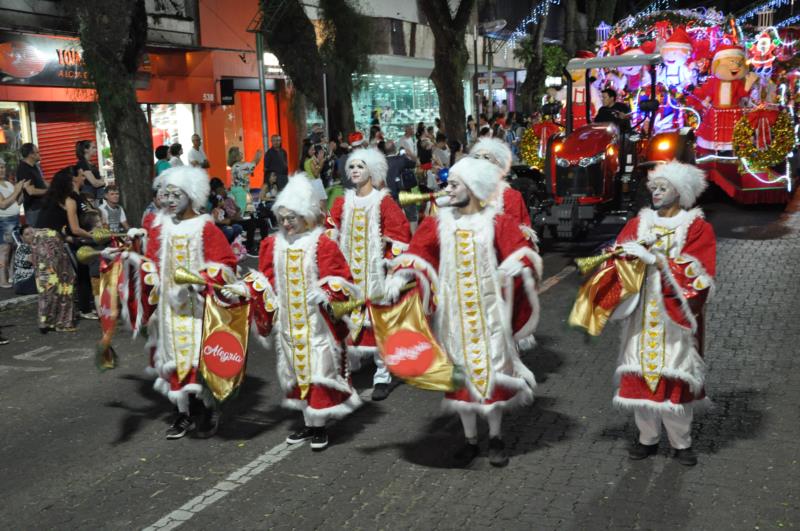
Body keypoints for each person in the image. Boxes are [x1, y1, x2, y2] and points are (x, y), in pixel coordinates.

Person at [385, 157, 542, 467]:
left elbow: (523, 253)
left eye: (454, 184)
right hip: (454, 317)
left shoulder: (498, 221)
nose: (448, 189)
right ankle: (471, 440)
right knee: (460, 378)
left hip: (489, 316)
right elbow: (418, 253)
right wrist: (400, 275)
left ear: (473, 187)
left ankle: (495, 437)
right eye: (448, 183)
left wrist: (515, 265)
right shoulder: (439, 222)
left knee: (493, 374)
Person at [572, 161, 715, 467]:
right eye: (654, 188)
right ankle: (646, 439)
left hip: (674, 319)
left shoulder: (697, 228)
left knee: (675, 376)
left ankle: (681, 443)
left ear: (679, 192)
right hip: (641, 315)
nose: (656, 194)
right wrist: (618, 259)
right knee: (640, 374)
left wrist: (657, 261)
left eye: (663, 188)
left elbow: (701, 276)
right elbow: (618, 256)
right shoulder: (640, 223)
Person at [229, 175, 361, 451]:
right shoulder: (272, 246)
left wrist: (326, 292)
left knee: (318, 371)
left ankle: (319, 426)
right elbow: (266, 280)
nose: (287, 223)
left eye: (292, 217)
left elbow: (341, 278)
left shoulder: (321, 244)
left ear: (305, 216)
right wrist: (244, 289)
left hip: (317, 324)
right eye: (283, 218)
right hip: (288, 324)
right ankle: (308, 422)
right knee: (296, 372)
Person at [127, 166, 237, 439]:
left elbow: (225, 264)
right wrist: (131, 255)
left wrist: (200, 279)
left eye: (177, 194)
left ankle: (209, 409)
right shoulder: (159, 226)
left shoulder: (205, 227)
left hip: (197, 308)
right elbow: (151, 263)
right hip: (168, 308)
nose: (170, 200)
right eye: (166, 194)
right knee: (172, 359)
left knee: (199, 360)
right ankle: (183, 412)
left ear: (191, 195)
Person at [326, 147, 411, 400]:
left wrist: (388, 257)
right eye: (351, 166)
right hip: (348, 273)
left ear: (371, 171)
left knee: (378, 322)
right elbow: (330, 231)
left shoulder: (383, 201)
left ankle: (382, 375)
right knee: (346, 321)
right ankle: (349, 372)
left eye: (360, 167)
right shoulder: (342, 201)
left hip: (375, 275)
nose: (354, 171)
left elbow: (401, 233)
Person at [32, 167, 94, 333]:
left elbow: (55, 227)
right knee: (63, 280)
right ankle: (61, 321)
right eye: (76, 179)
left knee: (50, 281)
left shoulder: (51, 199)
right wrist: (92, 236)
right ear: (69, 183)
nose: (79, 182)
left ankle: (49, 320)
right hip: (51, 243)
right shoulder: (69, 200)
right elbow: (75, 228)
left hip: (40, 240)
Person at [469, 137, 538, 246]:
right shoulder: (465, 192)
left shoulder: (510, 196)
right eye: (477, 157)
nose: (481, 161)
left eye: (486, 158)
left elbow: (516, 233)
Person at [0, 158, 24, 288]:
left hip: (14, 219)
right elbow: (3, 205)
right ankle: (2, 279)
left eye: (3, 167)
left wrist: (21, 191)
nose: (1, 170)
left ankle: (11, 276)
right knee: (4, 250)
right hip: (4, 221)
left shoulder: (8, 184)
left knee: (15, 249)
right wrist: (16, 191)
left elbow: (16, 202)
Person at [17, 143, 47, 227]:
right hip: (33, 210)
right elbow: (31, 191)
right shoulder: (24, 169)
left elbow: (42, 181)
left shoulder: (34, 166)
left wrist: (55, 187)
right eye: (37, 152)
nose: (39, 154)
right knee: (36, 235)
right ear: (31, 155)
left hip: (41, 207)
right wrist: (48, 191)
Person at [228, 146, 263, 213]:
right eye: (240, 153)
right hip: (242, 193)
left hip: (238, 192)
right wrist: (258, 154)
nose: (242, 154)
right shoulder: (239, 166)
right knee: (245, 213)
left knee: (244, 212)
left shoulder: (235, 166)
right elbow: (253, 165)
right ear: (236, 157)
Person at [12, 224, 36, 295]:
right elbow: (34, 260)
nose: (31, 235)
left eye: (32, 232)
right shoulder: (23, 247)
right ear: (22, 238)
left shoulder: (37, 245)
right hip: (23, 283)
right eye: (27, 234)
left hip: (31, 281)